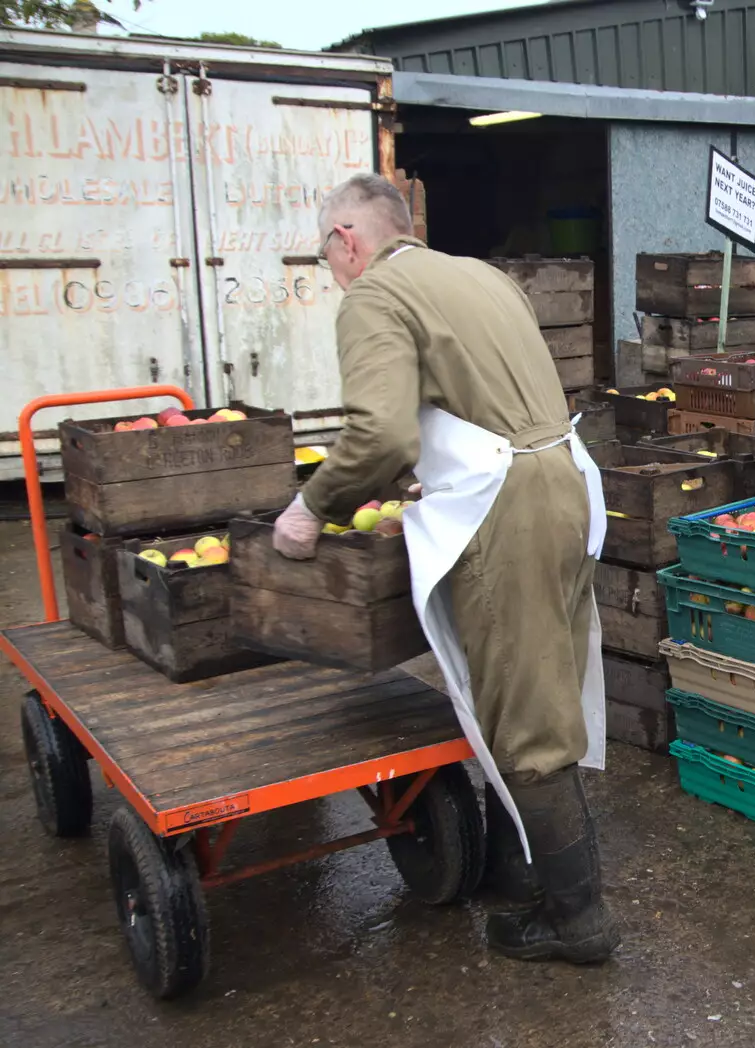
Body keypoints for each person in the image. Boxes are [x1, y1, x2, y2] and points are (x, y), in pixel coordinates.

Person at [272, 173, 617, 964]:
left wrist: (311, 510)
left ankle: (580, 921)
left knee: (526, 720)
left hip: (507, 509)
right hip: (567, 483)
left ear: (347, 241)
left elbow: (380, 436)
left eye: (328, 256)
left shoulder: (373, 298)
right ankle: (523, 879)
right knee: (543, 689)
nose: (334, 273)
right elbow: (483, 404)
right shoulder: (480, 275)